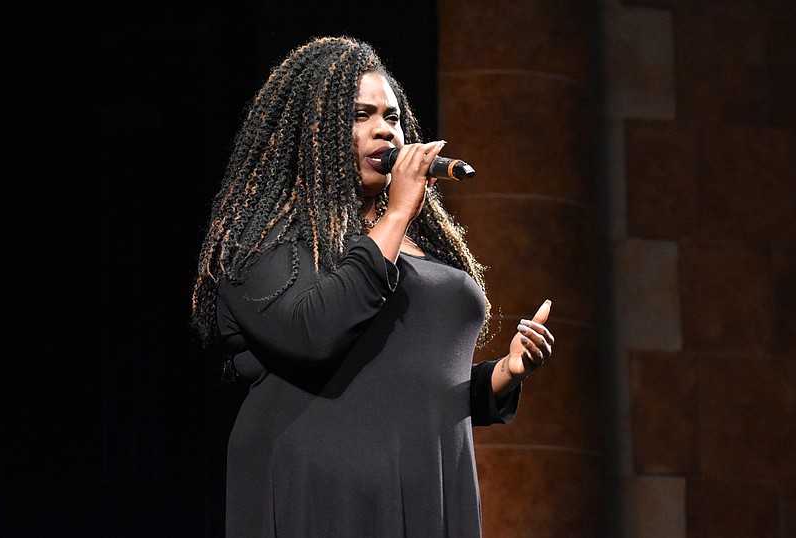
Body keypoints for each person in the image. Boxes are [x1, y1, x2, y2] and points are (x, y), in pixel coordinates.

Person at [191, 36, 554, 537]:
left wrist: (505, 374)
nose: (385, 130)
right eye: (360, 115)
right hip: (322, 488)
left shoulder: (412, 245)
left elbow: (406, 386)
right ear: (311, 133)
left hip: (428, 481)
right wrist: (400, 212)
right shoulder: (261, 243)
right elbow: (312, 336)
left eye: (393, 117)